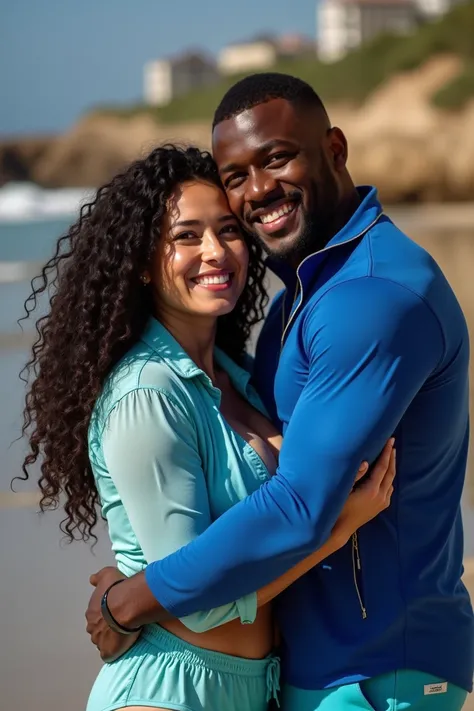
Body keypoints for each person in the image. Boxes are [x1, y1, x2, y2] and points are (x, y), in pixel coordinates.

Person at [85, 74, 474, 710]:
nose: (258, 190)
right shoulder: (302, 300)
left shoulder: (368, 298)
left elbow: (298, 503)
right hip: (306, 670)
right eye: (235, 175)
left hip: (374, 669)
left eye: (276, 158)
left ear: (335, 149)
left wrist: (130, 598)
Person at [19, 144, 395, 711]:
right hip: (168, 691)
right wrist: (335, 531)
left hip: (254, 688)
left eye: (228, 230)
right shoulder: (148, 393)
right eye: (187, 236)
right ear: (143, 262)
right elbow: (197, 601)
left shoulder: (240, 379)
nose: (216, 252)